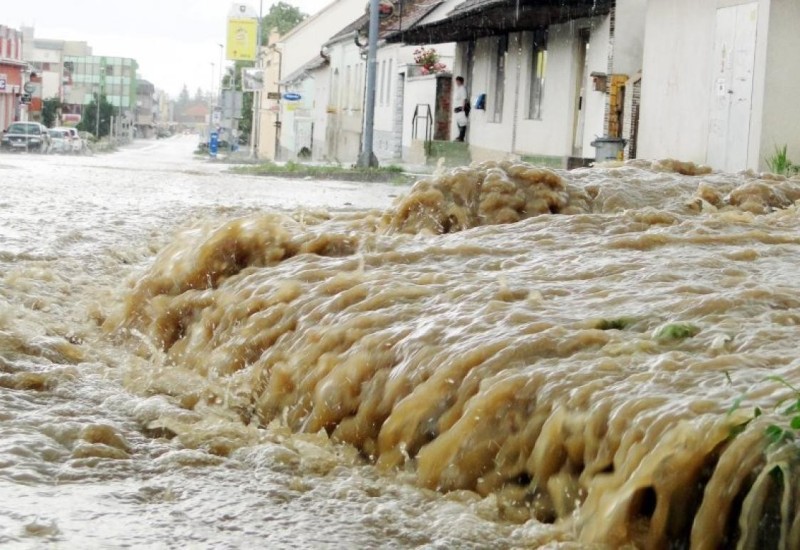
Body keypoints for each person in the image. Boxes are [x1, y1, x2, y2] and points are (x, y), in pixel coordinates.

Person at [453, 76, 469, 142]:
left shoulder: (462, 89)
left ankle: (461, 137)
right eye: (456, 81)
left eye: (457, 81)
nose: (456, 82)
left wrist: (463, 108)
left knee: (462, 122)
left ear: (460, 81)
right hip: (457, 108)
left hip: (461, 108)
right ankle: (459, 135)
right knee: (458, 122)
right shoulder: (458, 89)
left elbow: (464, 99)